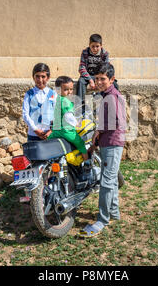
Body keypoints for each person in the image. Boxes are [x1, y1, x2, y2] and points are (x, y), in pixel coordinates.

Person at [79, 63, 126, 238]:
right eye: (97, 78)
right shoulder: (105, 95)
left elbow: (117, 122)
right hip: (107, 141)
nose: (99, 81)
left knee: (106, 182)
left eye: (103, 79)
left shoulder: (113, 96)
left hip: (113, 142)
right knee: (111, 179)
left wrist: (98, 131)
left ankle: (102, 219)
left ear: (112, 79)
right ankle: (113, 213)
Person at [76, 34, 119, 115]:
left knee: (114, 84)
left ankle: (112, 104)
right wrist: (90, 80)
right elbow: (81, 68)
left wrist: (97, 80)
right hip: (88, 75)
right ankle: (80, 108)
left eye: (97, 46)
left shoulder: (104, 53)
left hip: (100, 75)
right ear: (89, 45)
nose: (95, 49)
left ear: (101, 46)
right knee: (81, 82)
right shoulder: (85, 52)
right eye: (93, 46)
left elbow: (106, 68)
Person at [48, 76, 89, 161]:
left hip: (56, 131)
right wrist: (76, 124)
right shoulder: (66, 101)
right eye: (66, 90)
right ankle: (87, 164)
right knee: (81, 144)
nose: (70, 92)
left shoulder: (57, 99)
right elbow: (68, 116)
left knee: (47, 143)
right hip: (67, 131)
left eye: (71, 89)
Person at [22, 63, 57, 142]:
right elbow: (25, 114)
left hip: (49, 134)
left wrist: (51, 130)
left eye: (43, 76)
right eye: (37, 76)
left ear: (48, 78)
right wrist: (35, 129)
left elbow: (57, 114)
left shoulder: (53, 94)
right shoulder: (29, 94)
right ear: (33, 77)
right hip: (33, 134)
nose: (40, 80)